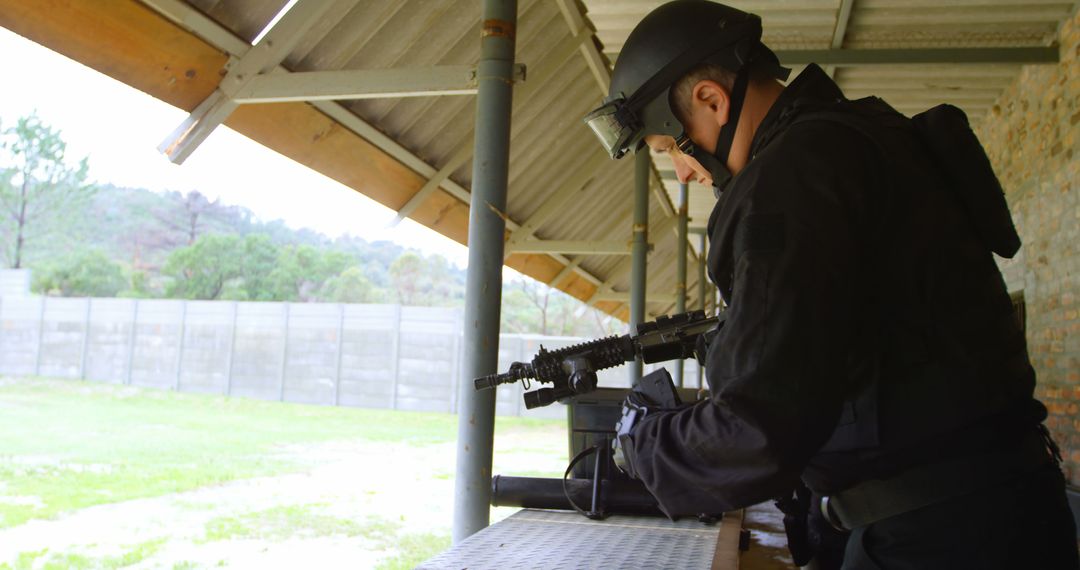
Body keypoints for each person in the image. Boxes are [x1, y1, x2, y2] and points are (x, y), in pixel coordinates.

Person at [585, 2, 1079, 568]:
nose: (684, 171)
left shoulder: (790, 179)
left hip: (940, 538)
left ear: (711, 101)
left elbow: (758, 428)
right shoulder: (866, 137)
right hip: (994, 516)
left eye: (669, 148)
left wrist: (640, 443)